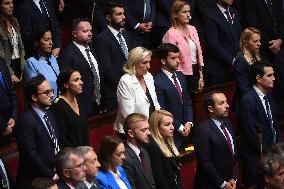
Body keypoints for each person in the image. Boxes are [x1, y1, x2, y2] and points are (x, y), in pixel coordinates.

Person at [239, 61, 281, 188]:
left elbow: (274, 127)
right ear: (258, 78)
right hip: (257, 161)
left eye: (273, 74)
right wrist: (271, 155)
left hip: (271, 158)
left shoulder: (268, 96)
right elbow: (252, 136)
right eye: (269, 75)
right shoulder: (248, 101)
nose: (274, 78)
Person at [16, 75, 60, 189]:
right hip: (36, 181)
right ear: (34, 97)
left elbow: (55, 144)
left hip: (53, 176)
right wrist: (52, 175)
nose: (51, 95)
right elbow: (30, 155)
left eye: (51, 91)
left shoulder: (49, 114)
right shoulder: (26, 120)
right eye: (47, 93)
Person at [59, 18, 104, 116]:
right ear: (74, 34)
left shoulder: (91, 49)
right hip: (81, 106)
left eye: (90, 31)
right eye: (85, 31)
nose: (90, 33)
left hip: (98, 104)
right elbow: (67, 83)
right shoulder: (67, 54)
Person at [193, 91, 237, 189]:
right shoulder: (202, 130)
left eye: (226, 102)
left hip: (230, 182)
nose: (227, 105)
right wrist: (223, 184)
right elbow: (206, 163)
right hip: (211, 185)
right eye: (221, 103)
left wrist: (233, 178)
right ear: (211, 109)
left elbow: (233, 155)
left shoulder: (228, 124)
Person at [154, 43, 193, 151]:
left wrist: (189, 122)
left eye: (178, 57)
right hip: (172, 133)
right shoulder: (157, 81)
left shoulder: (180, 76)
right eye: (173, 58)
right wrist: (179, 127)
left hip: (187, 129)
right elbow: (162, 110)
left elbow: (187, 100)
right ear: (163, 61)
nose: (178, 61)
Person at [94, 2, 131, 111]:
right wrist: (126, 85)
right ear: (109, 18)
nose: (123, 17)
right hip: (116, 92)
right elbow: (107, 70)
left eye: (123, 14)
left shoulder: (126, 34)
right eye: (119, 14)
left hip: (131, 88)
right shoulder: (102, 39)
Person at [114, 47, 160, 135]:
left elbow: (155, 104)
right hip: (132, 132)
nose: (149, 66)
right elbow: (129, 115)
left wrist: (159, 123)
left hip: (150, 129)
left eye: (149, 62)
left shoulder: (148, 76)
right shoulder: (126, 81)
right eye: (144, 63)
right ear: (133, 63)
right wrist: (146, 130)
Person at [162, 0, 204, 92]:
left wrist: (201, 76)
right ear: (175, 14)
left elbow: (198, 54)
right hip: (180, 73)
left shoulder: (192, 29)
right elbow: (170, 59)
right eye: (184, 12)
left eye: (189, 11)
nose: (188, 15)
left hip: (195, 71)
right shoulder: (171, 34)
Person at [203, 0, 241, 86]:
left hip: (236, 68)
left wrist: (238, 59)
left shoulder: (235, 12)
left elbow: (239, 38)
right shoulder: (210, 14)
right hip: (218, 70)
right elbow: (213, 45)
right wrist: (232, 61)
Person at [51, 69, 89, 148]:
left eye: (80, 79)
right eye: (76, 80)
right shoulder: (58, 105)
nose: (81, 83)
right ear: (66, 84)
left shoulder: (78, 99)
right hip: (71, 155)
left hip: (84, 152)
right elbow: (62, 138)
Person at [145, 110, 182, 189]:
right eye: (167, 125)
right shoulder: (152, 146)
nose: (172, 127)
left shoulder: (168, 142)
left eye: (172, 124)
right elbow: (159, 179)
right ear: (156, 127)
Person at [122, 113, 156, 189]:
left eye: (148, 129)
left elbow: (151, 183)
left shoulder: (144, 152)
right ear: (131, 133)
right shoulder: (125, 158)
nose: (149, 133)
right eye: (144, 130)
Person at [24, 27, 60, 98]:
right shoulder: (31, 62)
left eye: (51, 39)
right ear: (36, 43)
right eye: (46, 40)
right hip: (45, 104)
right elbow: (34, 90)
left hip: (59, 102)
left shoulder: (53, 58)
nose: (51, 43)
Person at [232, 27, 262, 113]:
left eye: (259, 40)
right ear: (246, 42)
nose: (259, 44)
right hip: (246, 105)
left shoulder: (256, 56)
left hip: (255, 100)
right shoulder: (240, 60)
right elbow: (244, 88)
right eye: (255, 41)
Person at [0, 0, 25, 82]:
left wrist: (22, 66)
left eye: (12, 2)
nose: (11, 6)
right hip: (6, 66)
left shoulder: (14, 21)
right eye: (7, 3)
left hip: (18, 64)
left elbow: (21, 46)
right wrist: (10, 73)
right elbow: (0, 53)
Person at [0, 57, 17, 146]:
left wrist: (13, 116)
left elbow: (11, 90)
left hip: (12, 119)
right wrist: (2, 126)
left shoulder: (1, 61)